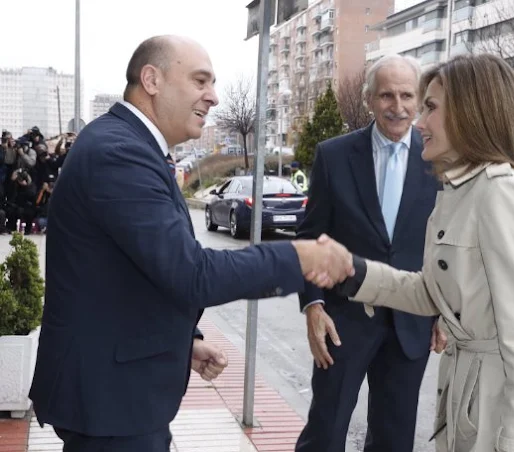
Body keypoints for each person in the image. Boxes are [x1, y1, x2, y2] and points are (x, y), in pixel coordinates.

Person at [29, 35, 353, 452]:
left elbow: (133, 274)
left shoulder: (129, 146)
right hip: (110, 402)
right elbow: (191, 273)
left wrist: (185, 343)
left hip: (118, 390)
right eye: (201, 81)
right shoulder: (118, 152)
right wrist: (299, 257)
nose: (213, 97)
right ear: (152, 79)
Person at [334, 54, 514, 452]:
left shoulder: (503, 194)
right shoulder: (463, 191)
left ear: (471, 113)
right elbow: (435, 292)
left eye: (429, 107)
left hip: (503, 419)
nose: (418, 121)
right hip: (471, 403)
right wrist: (352, 271)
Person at [295, 54, 445, 452]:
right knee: (324, 432)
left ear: (420, 100)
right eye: (386, 95)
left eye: (407, 96)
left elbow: (447, 246)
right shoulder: (334, 155)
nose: (397, 107)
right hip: (342, 322)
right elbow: (310, 237)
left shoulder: (440, 162)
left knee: (394, 439)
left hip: (411, 323)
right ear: (368, 100)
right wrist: (312, 306)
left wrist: (447, 312)